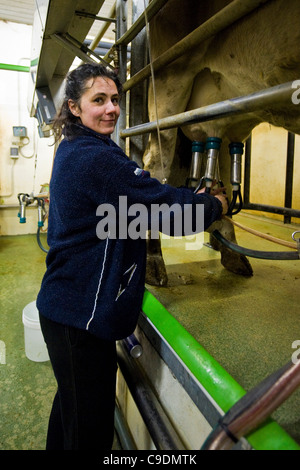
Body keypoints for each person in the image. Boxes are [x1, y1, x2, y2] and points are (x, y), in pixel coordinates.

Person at [37, 63, 228, 450]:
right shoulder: (95, 158)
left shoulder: (80, 146)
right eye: (98, 100)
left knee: (71, 412)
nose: (111, 109)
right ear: (74, 107)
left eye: (115, 99)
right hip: (79, 321)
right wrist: (214, 205)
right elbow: (168, 211)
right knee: (88, 433)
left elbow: (132, 206)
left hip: (67, 308)